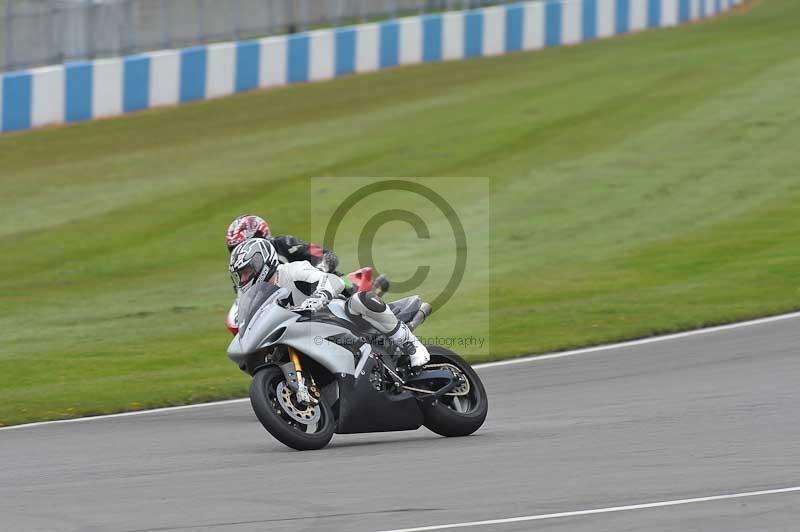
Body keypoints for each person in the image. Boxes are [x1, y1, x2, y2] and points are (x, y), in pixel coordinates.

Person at [229, 238, 430, 368]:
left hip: (334, 314)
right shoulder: (258, 296)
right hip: (305, 333)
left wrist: (320, 297)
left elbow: (331, 280)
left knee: (360, 300)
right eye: (241, 275)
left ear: (261, 262)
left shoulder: (293, 270)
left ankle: (411, 344)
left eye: (247, 271)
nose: (244, 278)